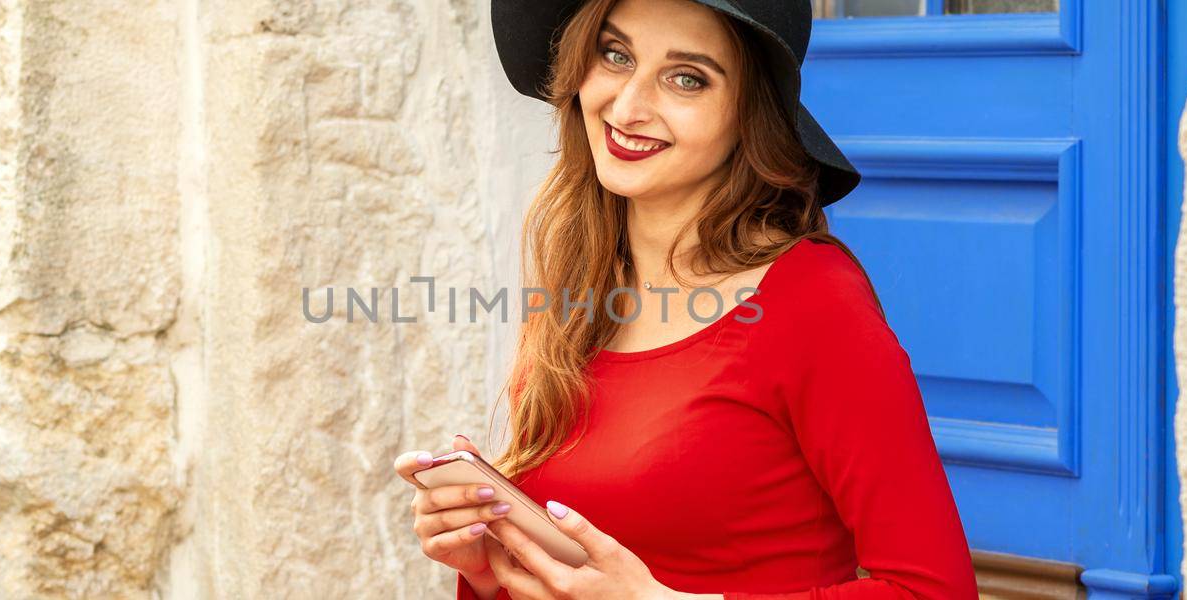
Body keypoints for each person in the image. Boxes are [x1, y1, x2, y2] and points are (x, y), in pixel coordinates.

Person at [393, 0, 979, 597]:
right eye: (615, 54)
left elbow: (933, 590)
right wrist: (494, 565)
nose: (627, 107)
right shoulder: (580, 288)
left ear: (750, 114)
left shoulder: (813, 301)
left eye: (686, 78)